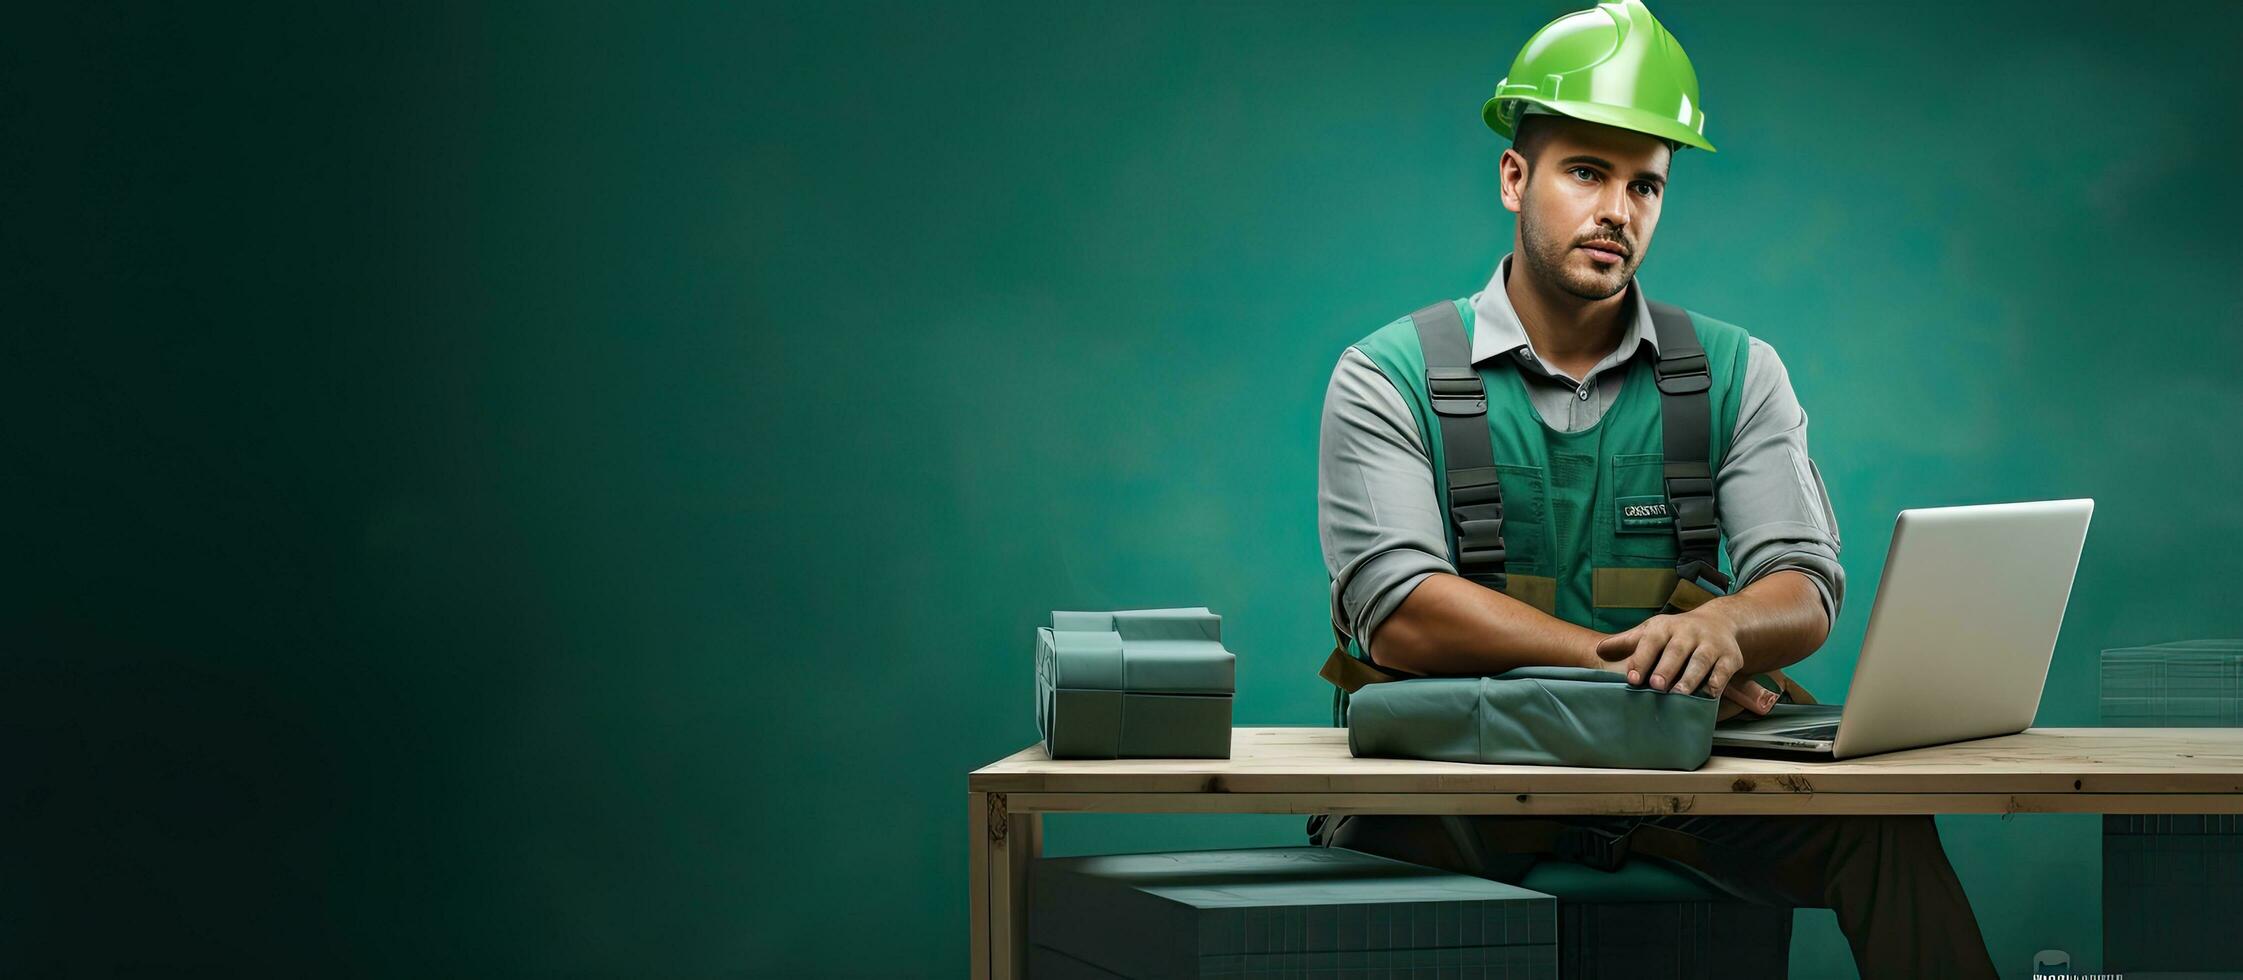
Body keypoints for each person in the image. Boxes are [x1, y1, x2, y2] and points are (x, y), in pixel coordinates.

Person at [1311, 2, 1999, 975]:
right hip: (1455, 778)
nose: (1617, 210)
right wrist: (1630, 661)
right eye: (1586, 171)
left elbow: (1800, 581)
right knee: (1369, 863)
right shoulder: (1387, 373)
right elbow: (1398, 612)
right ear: (1515, 176)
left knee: (1878, 822)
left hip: (1679, 774)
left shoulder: (1734, 369)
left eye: (1645, 183)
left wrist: (1724, 629)